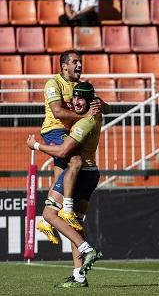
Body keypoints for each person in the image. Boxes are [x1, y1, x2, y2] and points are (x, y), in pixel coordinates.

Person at [27, 82, 103, 288]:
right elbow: (102, 106)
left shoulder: (83, 123)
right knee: (74, 223)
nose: (75, 102)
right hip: (92, 172)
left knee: (49, 215)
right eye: (74, 98)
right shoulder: (96, 113)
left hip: (78, 175)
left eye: (80, 99)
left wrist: (35, 145)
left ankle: (87, 249)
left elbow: (62, 152)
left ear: (89, 102)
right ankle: (79, 276)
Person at [37, 50, 108, 242]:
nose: (79, 65)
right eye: (75, 62)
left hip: (67, 133)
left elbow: (105, 107)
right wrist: (85, 117)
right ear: (64, 65)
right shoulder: (53, 83)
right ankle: (67, 209)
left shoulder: (80, 87)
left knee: (62, 178)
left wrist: (102, 107)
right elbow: (58, 112)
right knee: (76, 161)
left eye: (80, 62)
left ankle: (46, 223)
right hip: (55, 131)